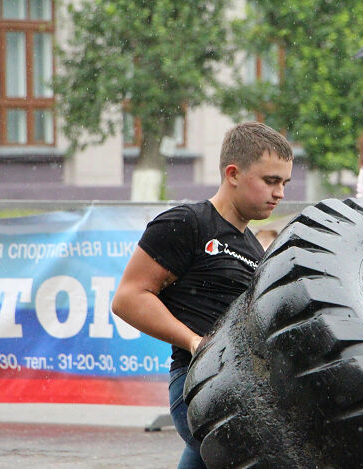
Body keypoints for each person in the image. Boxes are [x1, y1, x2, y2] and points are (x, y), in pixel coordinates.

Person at [111, 122, 293, 468]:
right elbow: (128, 299)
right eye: (271, 181)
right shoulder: (186, 222)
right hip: (196, 386)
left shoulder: (255, 248)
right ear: (233, 174)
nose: (280, 193)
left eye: (284, 182)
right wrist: (196, 343)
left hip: (242, 385)